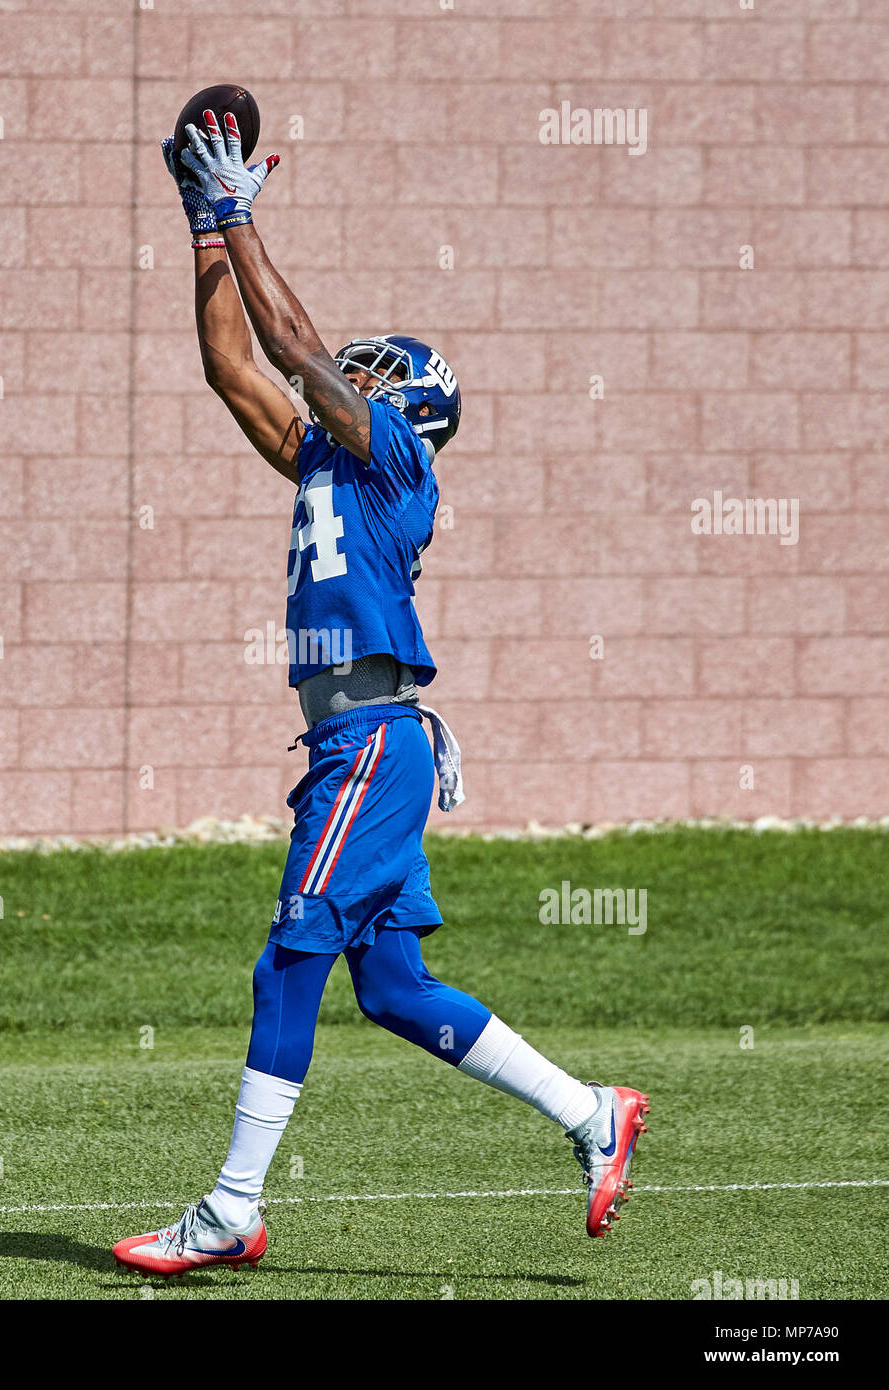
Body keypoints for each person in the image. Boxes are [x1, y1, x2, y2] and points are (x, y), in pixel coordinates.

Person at [113, 110, 648, 1278]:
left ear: (405, 401)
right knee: (396, 989)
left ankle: (231, 1207)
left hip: (368, 742)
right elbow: (229, 364)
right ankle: (590, 1112)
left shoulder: (396, 457)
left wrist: (242, 213)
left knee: (285, 961)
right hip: (357, 742)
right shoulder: (321, 460)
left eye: (367, 371)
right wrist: (207, 226)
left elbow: (293, 340)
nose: (343, 370)